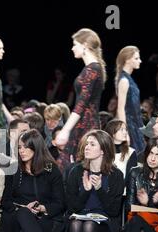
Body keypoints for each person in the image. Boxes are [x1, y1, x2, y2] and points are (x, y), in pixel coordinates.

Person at [0, 129, 65, 232]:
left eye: (25, 147)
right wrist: (23, 207)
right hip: (16, 219)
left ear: (36, 148)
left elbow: (60, 203)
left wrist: (42, 208)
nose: (21, 151)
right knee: (23, 213)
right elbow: (5, 202)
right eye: (20, 147)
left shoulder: (51, 170)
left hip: (44, 220)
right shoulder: (14, 170)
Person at [66, 130, 124, 232]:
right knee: (77, 224)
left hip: (105, 223)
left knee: (89, 225)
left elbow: (114, 211)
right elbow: (72, 207)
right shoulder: (76, 171)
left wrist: (99, 189)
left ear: (103, 150)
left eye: (92, 144)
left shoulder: (115, 175)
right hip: (80, 219)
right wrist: (85, 191)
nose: (87, 147)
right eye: (86, 144)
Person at [55, 28, 106, 165]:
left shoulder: (92, 69)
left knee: (74, 168)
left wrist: (65, 130)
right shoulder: (91, 68)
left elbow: (81, 104)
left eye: (75, 44)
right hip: (84, 123)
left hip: (86, 126)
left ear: (84, 45)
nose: (72, 48)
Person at [115, 46, 145, 156]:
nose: (140, 61)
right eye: (136, 58)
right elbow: (121, 108)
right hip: (130, 126)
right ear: (127, 60)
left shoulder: (128, 79)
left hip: (136, 125)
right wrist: (124, 132)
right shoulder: (124, 80)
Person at [104, 119, 137, 186]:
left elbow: (130, 178)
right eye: (121, 130)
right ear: (112, 133)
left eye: (125, 130)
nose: (125, 132)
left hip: (123, 192)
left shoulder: (131, 152)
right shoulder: (103, 151)